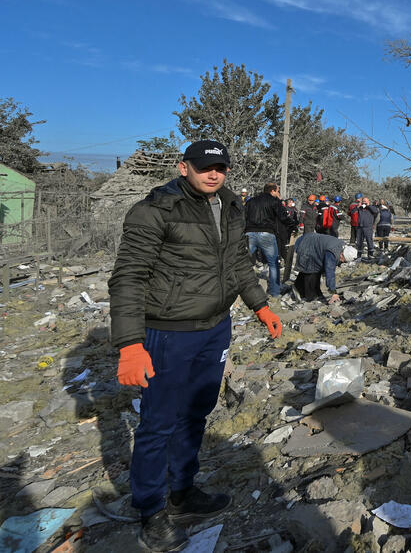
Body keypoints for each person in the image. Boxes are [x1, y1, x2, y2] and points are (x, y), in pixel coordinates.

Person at [109, 140, 283, 551]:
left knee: (196, 413)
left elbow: (239, 264)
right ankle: (150, 510)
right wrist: (130, 344)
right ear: (182, 167)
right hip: (168, 332)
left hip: (215, 328)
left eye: (221, 167)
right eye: (205, 167)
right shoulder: (156, 209)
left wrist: (259, 305)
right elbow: (129, 277)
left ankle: (183, 491)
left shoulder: (232, 207)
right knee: (158, 422)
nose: (214, 173)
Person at [244, 182, 297, 296]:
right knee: (273, 264)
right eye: (277, 191)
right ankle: (275, 292)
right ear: (272, 191)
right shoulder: (274, 201)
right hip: (266, 233)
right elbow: (283, 217)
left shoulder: (251, 201)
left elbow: (243, 216)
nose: (278, 193)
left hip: (249, 233)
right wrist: (293, 225)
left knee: (245, 263)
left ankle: (243, 290)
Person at [291, 232, 358, 302]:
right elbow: (330, 272)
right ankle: (310, 297)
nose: (342, 262)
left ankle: (299, 287)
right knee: (311, 271)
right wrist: (333, 292)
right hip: (306, 245)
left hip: (311, 243)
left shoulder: (342, 247)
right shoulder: (332, 253)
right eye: (343, 260)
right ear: (342, 255)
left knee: (314, 269)